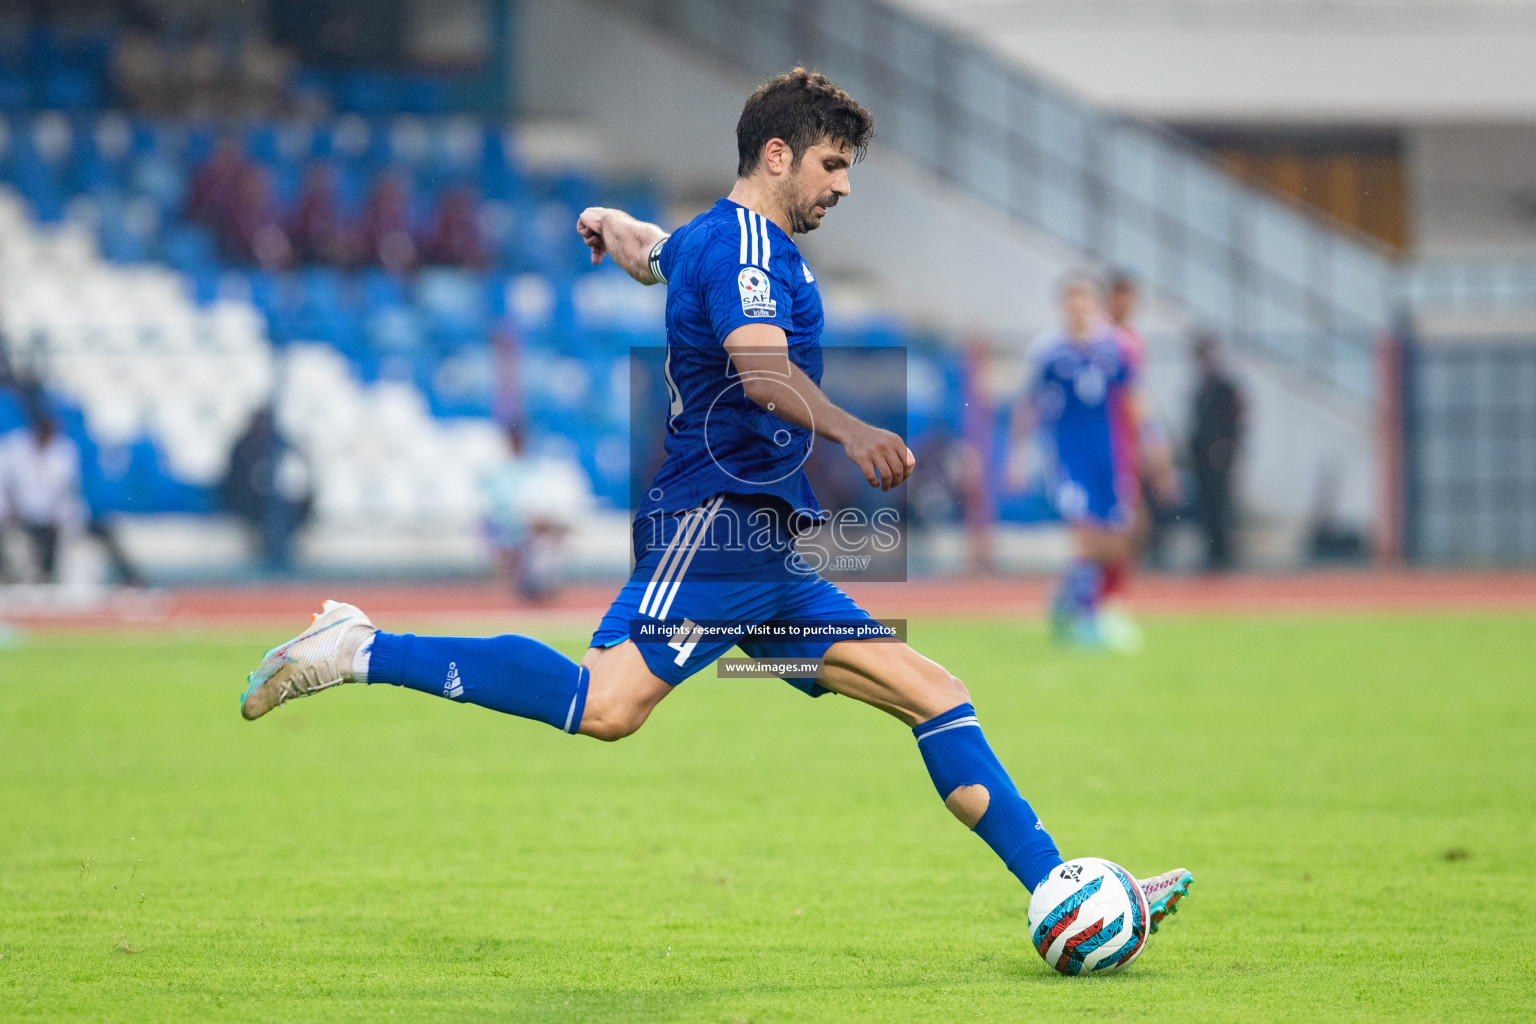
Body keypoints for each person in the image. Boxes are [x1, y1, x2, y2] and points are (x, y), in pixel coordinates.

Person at [236, 69, 1190, 960]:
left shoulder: (714, 241)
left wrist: (613, 225)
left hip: (768, 549)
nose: (842, 188)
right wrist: (853, 431)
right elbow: (761, 370)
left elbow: (659, 255)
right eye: (832, 166)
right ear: (777, 155)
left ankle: (1066, 891)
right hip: (717, 525)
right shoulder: (744, 248)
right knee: (604, 706)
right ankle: (359, 648)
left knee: (932, 693)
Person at [1006, 273, 1166, 651]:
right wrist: (1015, 457)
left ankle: (1066, 603)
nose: (1078, 307)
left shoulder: (1115, 348)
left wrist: (1154, 442)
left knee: (1115, 541)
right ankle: (1087, 618)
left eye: (1085, 299)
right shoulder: (1047, 352)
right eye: (1071, 300)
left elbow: (1134, 397)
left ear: (1094, 304)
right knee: (1088, 536)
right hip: (1067, 460)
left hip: (1110, 459)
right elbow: (1028, 404)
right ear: (1063, 305)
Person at [1102, 273, 1178, 625]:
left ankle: (1108, 598)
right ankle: (1101, 601)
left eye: (1130, 297)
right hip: (1104, 446)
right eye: (1120, 296)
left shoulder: (1131, 340)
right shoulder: (1102, 339)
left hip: (1126, 444)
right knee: (1114, 527)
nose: (1125, 304)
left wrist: (1152, 442)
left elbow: (1136, 395)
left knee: (1130, 524)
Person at [480, 426, 593, 601]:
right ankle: (536, 582)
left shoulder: (532, 468)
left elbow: (538, 498)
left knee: (551, 534)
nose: (519, 445)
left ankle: (542, 581)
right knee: (545, 532)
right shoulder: (498, 471)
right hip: (507, 522)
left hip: (531, 520)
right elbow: (497, 506)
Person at [0, 399, 84, 583]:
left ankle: (46, 577)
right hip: (16, 513)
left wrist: (59, 516)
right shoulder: (13, 447)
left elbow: (65, 491)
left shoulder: (64, 450)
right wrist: (12, 509)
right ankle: (9, 576)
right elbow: (5, 484)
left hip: (48, 516)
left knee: (63, 527)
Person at [1188, 332, 1245, 572]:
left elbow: (1237, 420)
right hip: (1202, 458)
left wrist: (1227, 447)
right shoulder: (1200, 388)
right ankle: (1212, 553)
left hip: (1220, 458)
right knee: (1207, 506)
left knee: (1221, 505)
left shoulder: (1224, 387)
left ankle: (1223, 554)